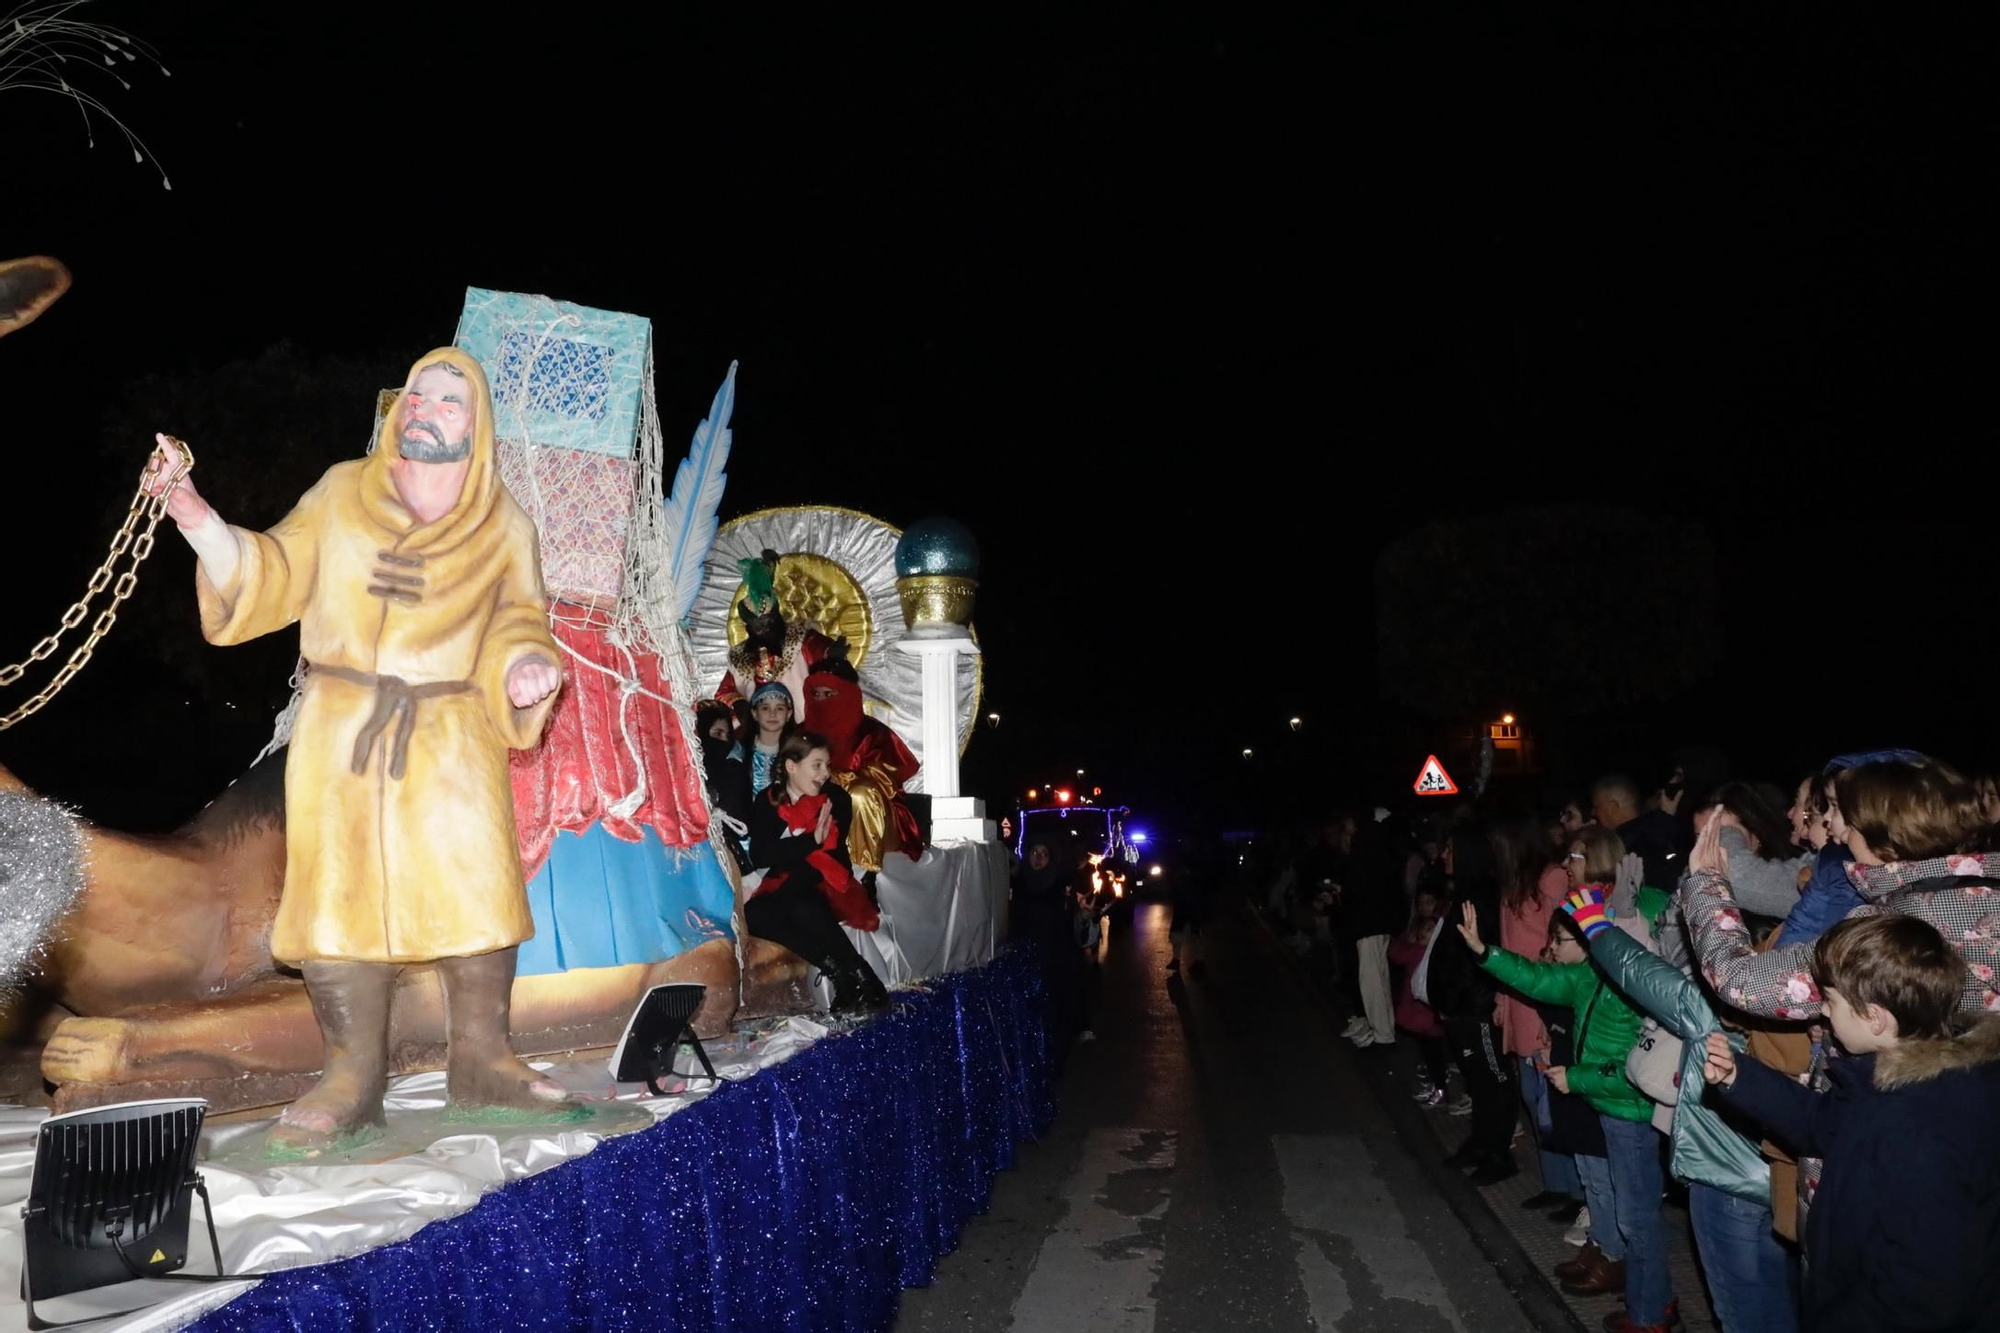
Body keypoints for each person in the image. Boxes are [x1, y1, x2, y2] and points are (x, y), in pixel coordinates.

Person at [146, 349, 565, 1150]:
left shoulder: (505, 523)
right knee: (338, 901)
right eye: (417, 394)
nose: (425, 408)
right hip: (343, 730)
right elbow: (272, 569)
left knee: (477, 884)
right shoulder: (342, 492)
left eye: (448, 399)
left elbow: (520, 617)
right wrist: (195, 514)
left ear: (475, 426)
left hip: (451, 730)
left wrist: (525, 666)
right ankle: (351, 1074)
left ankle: (483, 1060)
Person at [1702, 915, 2000, 1333]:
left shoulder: (1921, 1126)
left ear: (1875, 1018)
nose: (1822, 1012)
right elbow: (1822, 1123)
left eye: (1830, 1002)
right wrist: (1741, 1077)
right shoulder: (1896, 1083)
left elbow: (1928, 1284)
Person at [1457, 887, 1674, 1331]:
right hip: (1611, 1107)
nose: (1556, 946)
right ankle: (1642, 1296)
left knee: (1638, 1216)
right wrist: (1485, 952)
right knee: (1622, 1205)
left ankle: (1653, 1312)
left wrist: (1574, 1078)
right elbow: (1540, 979)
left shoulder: (1635, 986)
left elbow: (1635, 1071)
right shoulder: (1594, 974)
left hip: (1630, 1113)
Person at [745, 731, 887, 1015]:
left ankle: (862, 977)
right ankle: (842, 973)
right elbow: (760, 854)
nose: (825, 773)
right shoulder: (768, 800)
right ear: (791, 766)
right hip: (787, 887)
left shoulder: (836, 798)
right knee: (756, 914)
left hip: (827, 883)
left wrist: (792, 849)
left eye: (827, 766)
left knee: (800, 899)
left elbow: (824, 858)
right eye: (817, 765)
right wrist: (810, 841)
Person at [801, 658, 922, 874]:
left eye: (828, 694)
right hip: (817, 807)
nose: (821, 701)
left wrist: (840, 778)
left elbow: (885, 781)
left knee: (860, 794)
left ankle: (863, 876)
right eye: (816, 694)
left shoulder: (872, 733)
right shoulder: (800, 735)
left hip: (876, 816)